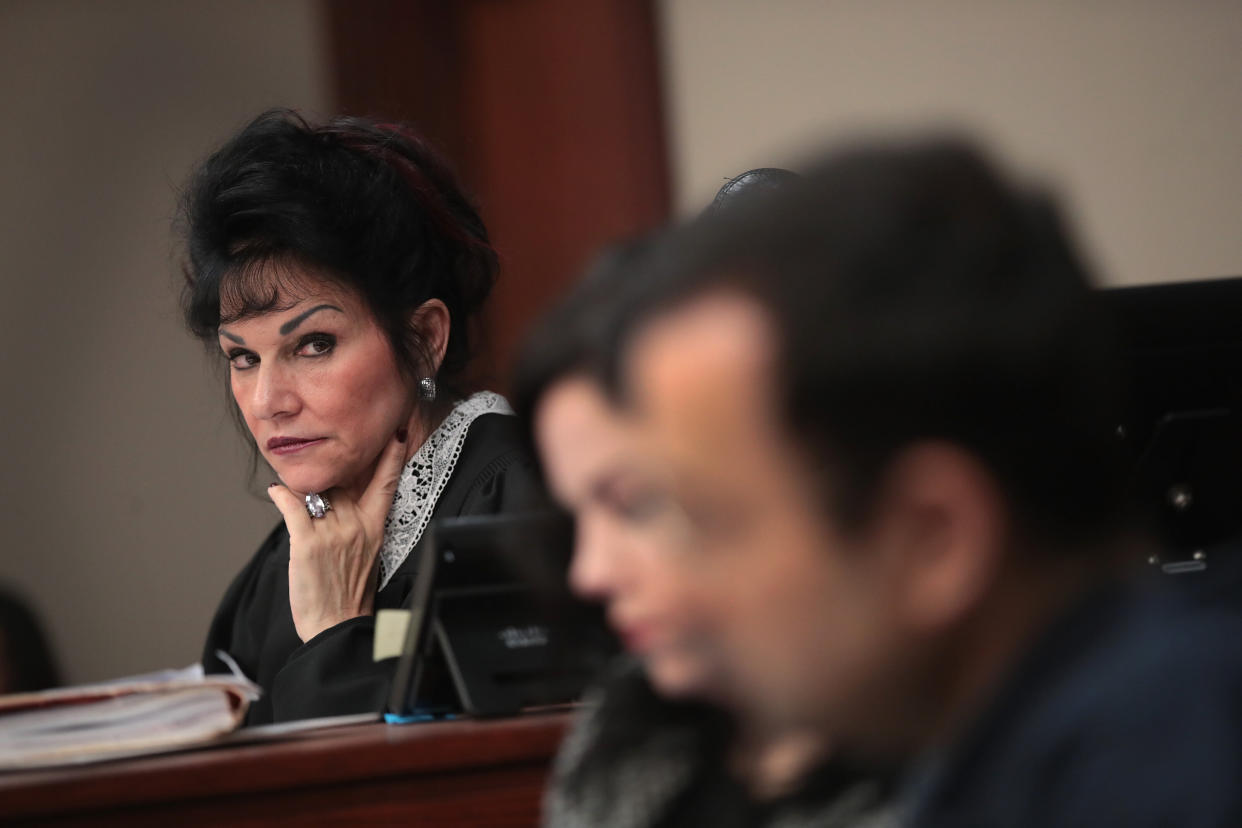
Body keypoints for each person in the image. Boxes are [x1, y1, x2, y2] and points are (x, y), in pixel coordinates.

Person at [598, 138, 1242, 825]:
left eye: (709, 520)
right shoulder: (1010, 755)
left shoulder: (1158, 778)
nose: (672, 575)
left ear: (932, 537)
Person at [515, 172, 894, 828]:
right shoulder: (626, 726)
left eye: (636, 503)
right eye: (577, 515)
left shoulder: (979, 757)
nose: (591, 572)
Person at [180, 109, 544, 724]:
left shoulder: (526, 496)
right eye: (242, 357)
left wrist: (336, 633)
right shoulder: (286, 555)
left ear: (426, 336)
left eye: (313, 344)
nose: (269, 400)